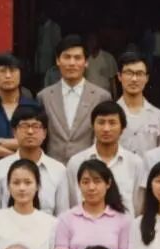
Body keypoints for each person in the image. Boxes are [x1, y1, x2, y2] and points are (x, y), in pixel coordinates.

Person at [55, 160, 131, 249]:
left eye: (97, 181)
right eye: (85, 182)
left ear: (108, 183)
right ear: (79, 185)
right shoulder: (66, 219)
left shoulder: (122, 220)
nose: (91, 187)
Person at [37, 34, 113, 165]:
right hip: (53, 168)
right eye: (67, 57)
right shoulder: (44, 96)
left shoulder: (101, 97)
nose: (72, 63)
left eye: (77, 58)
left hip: (88, 169)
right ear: (58, 60)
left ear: (86, 62)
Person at [0, 105, 71, 215]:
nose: (30, 131)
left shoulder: (58, 169)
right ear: (14, 132)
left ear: (44, 133)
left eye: (36, 126)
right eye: (24, 126)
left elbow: (63, 215)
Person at [65, 100, 146, 218]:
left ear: (122, 128)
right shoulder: (76, 162)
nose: (106, 128)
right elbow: (72, 202)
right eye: (101, 122)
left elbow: (137, 206)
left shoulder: (135, 163)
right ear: (93, 126)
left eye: (112, 123)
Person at [116, 51, 160, 156]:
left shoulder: (158, 116)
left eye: (139, 74)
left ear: (147, 78)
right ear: (119, 76)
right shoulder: (111, 113)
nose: (134, 79)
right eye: (129, 73)